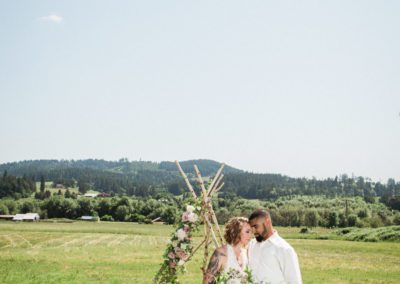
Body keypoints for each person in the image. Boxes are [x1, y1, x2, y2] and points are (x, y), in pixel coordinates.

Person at [248, 209, 302, 284]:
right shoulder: (251, 245)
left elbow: (294, 281)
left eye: (256, 226)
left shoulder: (284, 249)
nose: (253, 231)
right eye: (251, 228)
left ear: (267, 221)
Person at [203, 217, 252, 284]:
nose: (250, 235)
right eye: (247, 232)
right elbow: (207, 282)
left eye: (251, 232)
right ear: (237, 232)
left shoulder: (246, 253)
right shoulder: (221, 253)